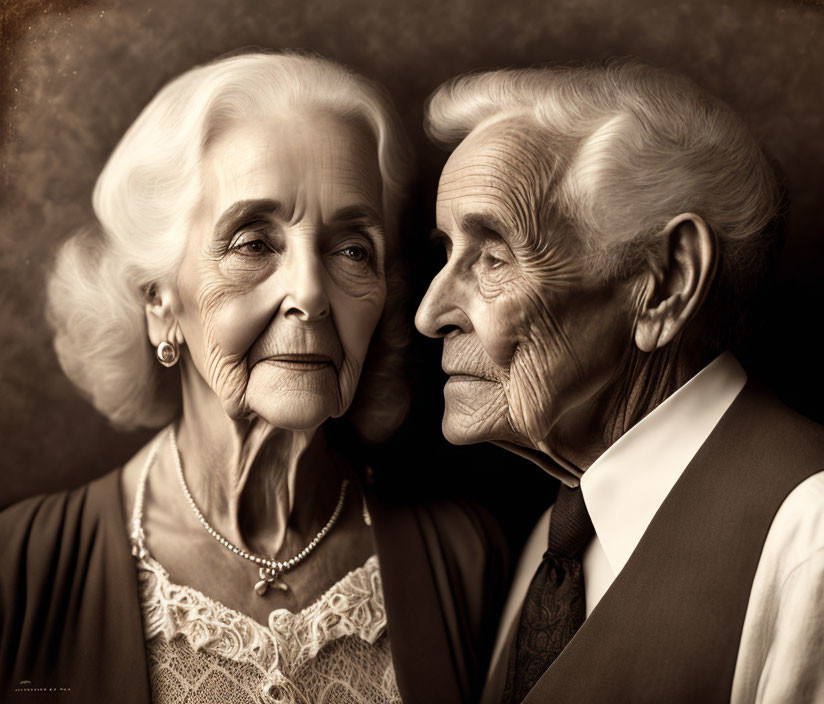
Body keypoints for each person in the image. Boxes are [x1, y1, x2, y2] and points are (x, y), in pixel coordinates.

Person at [0, 51, 506, 704]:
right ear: (159, 299)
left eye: (353, 250)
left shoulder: (467, 557)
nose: (310, 293)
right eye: (253, 242)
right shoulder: (21, 569)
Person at [415, 59, 824, 703]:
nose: (429, 313)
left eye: (494, 256)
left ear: (666, 283)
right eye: (445, 253)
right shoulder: (556, 537)